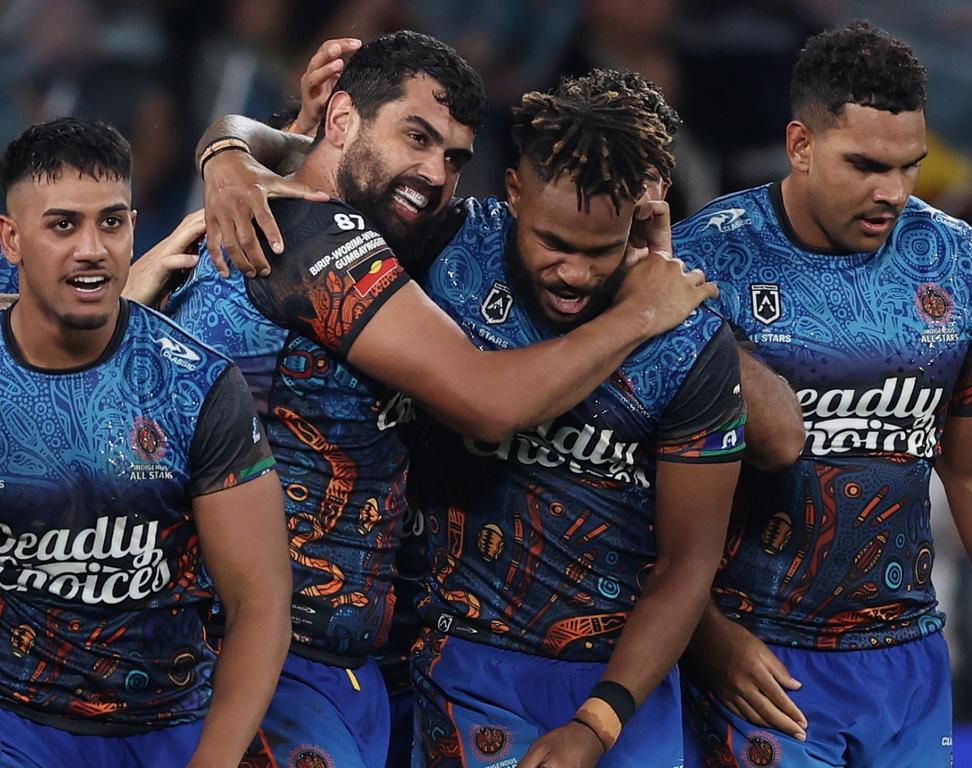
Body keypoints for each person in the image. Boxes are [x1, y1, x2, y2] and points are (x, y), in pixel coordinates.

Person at [167, 31, 712, 768]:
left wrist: (231, 146)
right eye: (415, 137)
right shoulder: (308, 234)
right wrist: (641, 312)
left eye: (454, 157)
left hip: (345, 663)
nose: (433, 173)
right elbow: (485, 402)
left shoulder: (329, 220)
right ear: (341, 119)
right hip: (266, 663)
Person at [672, 21, 972, 767]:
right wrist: (706, 638)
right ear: (799, 144)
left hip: (907, 660)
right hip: (759, 664)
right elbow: (629, 483)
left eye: (908, 167)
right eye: (864, 165)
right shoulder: (704, 262)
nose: (892, 192)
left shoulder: (956, 260)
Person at [407, 72, 746, 768]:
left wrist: (598, 721)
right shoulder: (446, 255)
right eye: (552, 242)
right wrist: (226, 148)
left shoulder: (685, 336)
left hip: (621, 681)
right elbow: (320, 199)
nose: (572, 272)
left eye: (598, 250)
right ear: (511, 191)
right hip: (462, 665)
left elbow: (687, 564)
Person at [0, 117, 291, 767]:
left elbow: (261, 602)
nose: (92, 249)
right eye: (62, 225)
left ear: (135, 224)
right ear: (11, 240)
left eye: (111, 222)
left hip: (168, 730)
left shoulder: (198, 384)